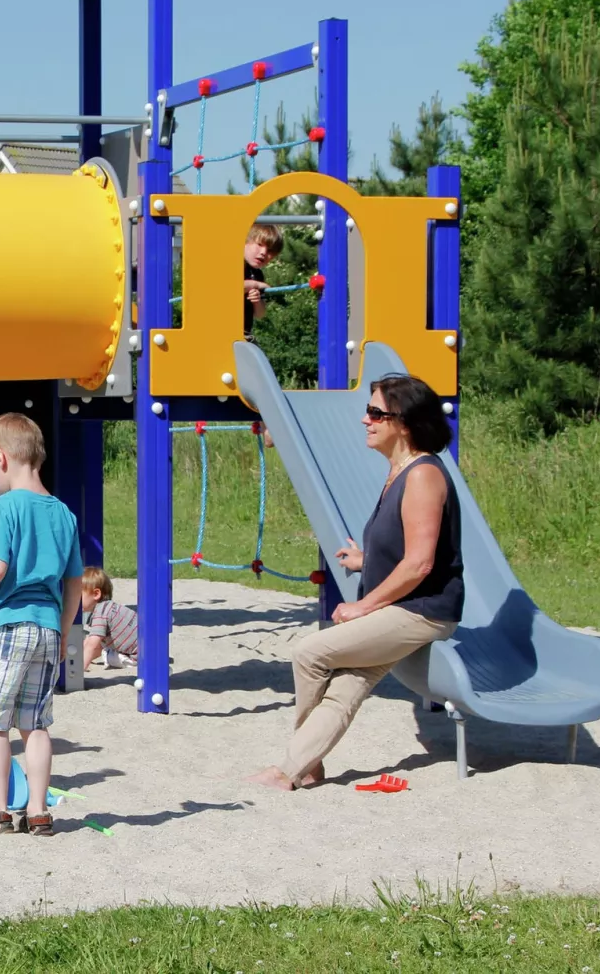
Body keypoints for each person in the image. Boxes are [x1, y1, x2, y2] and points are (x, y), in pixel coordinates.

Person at [247, 375, 462, 791]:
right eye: (368, 411)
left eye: (376, 413)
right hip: (405, 607)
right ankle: (296, 768)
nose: (366, 420)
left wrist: (363, 606)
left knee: (310, 653)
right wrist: (368, 560)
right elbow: (406, 548)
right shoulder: (400, 471)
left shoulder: (423, 475)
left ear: (405, 423)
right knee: (346, 685)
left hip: (423, 611)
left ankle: (301, 765)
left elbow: (420, 564)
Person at [0, 414, 82, 836]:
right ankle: (39, 811)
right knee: (35, 724)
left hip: (5, 628)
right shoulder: (64, 514)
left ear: (0, 458)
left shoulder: (1, 508)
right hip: (47, 629)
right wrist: (63, 630)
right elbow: (74, 584)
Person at [80, 566, 138, 672]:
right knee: (96, 640)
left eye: (78, 595)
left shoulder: (100, 614)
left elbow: (93, 645)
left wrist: (79, 668)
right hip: (149, 647)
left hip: (138, 657)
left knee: (106, 654)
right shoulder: (108, 608)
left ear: (96, 594)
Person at [243, 222, 284, 340]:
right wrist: (256, 284)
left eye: (270, 250)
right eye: (259, 244)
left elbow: (260, 314)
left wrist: (257, 301)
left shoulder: (257, 274)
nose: (263, 253)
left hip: (244, 334)